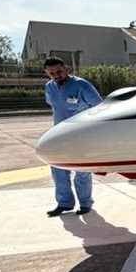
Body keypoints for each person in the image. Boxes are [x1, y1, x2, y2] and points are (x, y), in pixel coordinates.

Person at [43, 56, 102, 216]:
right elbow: (55, 105)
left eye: (59, 71)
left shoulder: (81, 85)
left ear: (66, 69)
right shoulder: (49, 87)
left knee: (81, 170)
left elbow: (99, 107)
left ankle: (85, 203)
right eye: (52, 73)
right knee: (58, 169)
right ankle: (64, 203)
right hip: (59, 134)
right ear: (47, 73)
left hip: (81, 134)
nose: (56, 75)